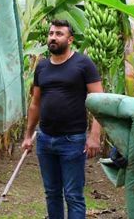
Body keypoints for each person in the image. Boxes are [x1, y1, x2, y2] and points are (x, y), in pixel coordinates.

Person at [21, 19, 103, 219]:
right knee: (52, 193)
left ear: (70, 39)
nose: (53, 38)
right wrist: (28, 135)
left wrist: (94, 136)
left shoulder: (83, 64)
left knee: (73, 195)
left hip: (72, 140)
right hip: (45, 139)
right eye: (51, 34)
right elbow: (35, 103)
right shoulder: (42, 67)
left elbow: (100, 103)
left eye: (59, 34)